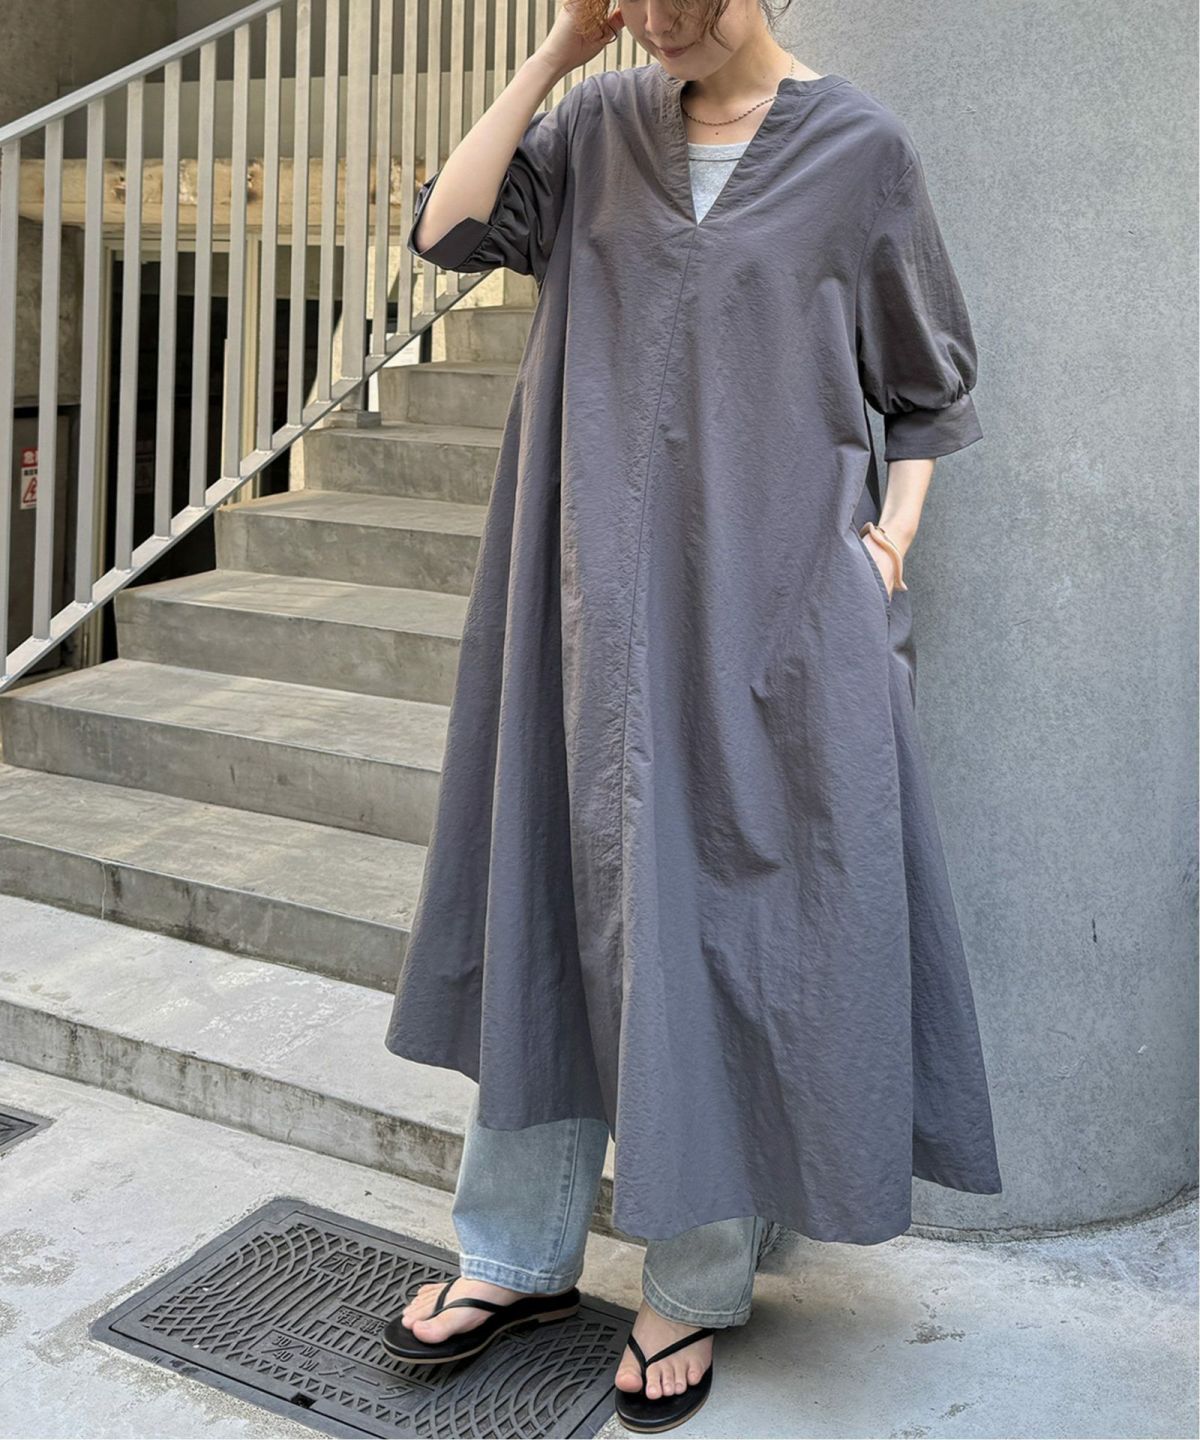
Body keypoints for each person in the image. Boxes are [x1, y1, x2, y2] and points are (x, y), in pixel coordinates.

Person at [381, 0, 1003, 1431]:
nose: (656, 23)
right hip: (584, 604)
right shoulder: (597, 127)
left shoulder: (861, 150)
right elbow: (448, 229)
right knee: (550, 906)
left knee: (726, 924)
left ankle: (696, 1282)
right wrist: (557, 51)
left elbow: (928, 386)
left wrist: (891, 543)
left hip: (767, 617)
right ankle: (513, 1256)